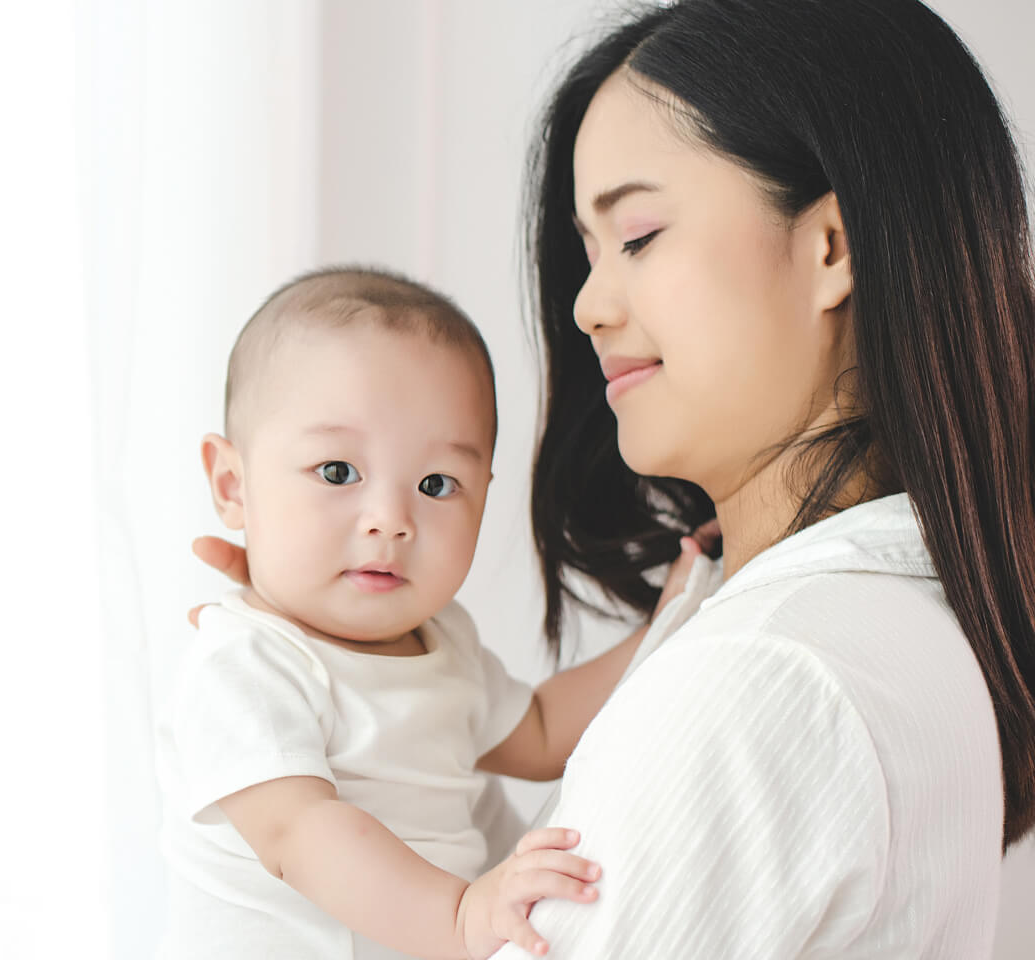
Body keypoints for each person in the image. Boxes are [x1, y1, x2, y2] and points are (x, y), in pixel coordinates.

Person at [194, 0, 1035, 956]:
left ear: (831, 246)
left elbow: (536, 729)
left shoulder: (767, 674)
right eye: (588, 256)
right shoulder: (897, 622)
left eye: (636, 236)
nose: (588, 306)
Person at [157, 266, 702, 960]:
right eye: (337, 472)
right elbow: (298, 834)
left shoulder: (444, 644)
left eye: (437, 484)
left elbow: (539, 733)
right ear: (234, 486)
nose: (390, 519)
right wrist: (460, 915)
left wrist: (667, 623)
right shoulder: (245, 665)